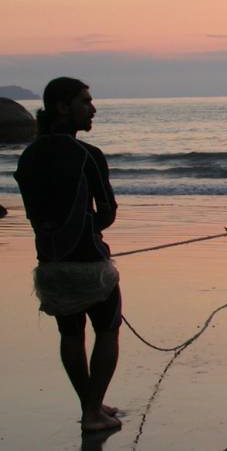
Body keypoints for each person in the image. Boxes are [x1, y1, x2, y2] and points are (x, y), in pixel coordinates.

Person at [14, 77, 122, 432]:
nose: (93, 108)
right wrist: (92, 227)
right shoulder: (87, 155)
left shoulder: (28, 156)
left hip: (50, 264)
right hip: (89, 264)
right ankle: (92, 411)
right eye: (85, 102)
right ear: (63, 107)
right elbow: (106, 212)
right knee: (107, 329)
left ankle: (90, 406)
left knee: (71, 335)